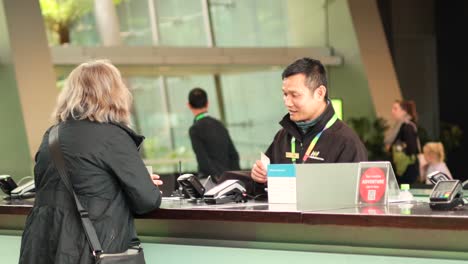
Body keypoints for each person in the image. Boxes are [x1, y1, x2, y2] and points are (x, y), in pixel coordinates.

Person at [19, 60, 162, 264]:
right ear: (114, 93)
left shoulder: (52, 135)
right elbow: (147, 201)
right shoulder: (113, 137)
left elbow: (72, 182)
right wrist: (142, 182)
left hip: (42, 245)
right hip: (89, 248)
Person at [251, 57, 368, 184]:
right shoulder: (283, 137)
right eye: (285, 94)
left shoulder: (346, 142)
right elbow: (266, 188)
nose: (287, 102)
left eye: (295, 95)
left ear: (319, 93)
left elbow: (355, 197)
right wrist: (259, 178)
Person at [187, 87, 240, 180]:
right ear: (207, 103)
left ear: (189, 105)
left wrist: (217, 178)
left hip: (211, 181)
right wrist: (233, 178)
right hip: (229, 180)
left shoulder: (195, 129)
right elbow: (234, 155)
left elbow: (203, 160)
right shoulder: (220, 125)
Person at [384, 100, 421, 184]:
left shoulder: (407, 127)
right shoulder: (399, 126)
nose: (392, 111)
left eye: (395, 109)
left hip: (407, 168)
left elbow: (412, 149)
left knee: (406, 193)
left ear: (404, 111)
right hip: (401, 167)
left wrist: (396, 148)